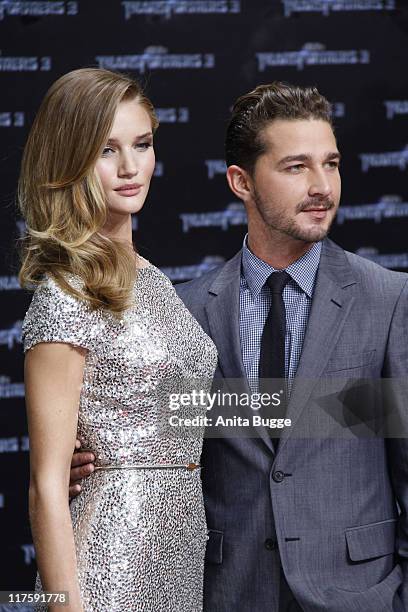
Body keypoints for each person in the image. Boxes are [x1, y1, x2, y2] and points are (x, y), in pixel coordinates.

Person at [71, 82, 408, 611]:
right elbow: (166, 443)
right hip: (229, 593)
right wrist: (98, 463)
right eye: (297, 167)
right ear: (241, 181)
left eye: (332, 163)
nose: (323, 185)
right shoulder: (185, 312)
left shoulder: (390, 299)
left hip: (359, 596)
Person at [20, 67, 217, 612]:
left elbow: (175, 413)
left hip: (178, 552)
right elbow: (47, 486)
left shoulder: (152, 278)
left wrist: (354, 408)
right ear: (71, 161)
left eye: (143, 144)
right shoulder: (66, 293)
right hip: (112, 557)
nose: (132, 168)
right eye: (106, 151)